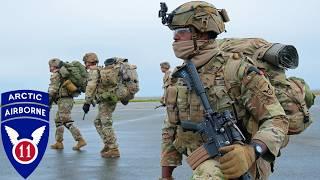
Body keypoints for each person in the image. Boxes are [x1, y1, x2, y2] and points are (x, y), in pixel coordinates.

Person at [159, 1, 289, 179]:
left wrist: (252, 151)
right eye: (174, 32)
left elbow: (277, 119)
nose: (175, 38)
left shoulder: (238, 71)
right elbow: (171, 128)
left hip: (244, 163)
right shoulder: (179, 76)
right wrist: (166, 175)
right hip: (205, 166)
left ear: (202, 31)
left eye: (181, 31)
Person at [82, 53, 120, 158]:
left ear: (87, 62)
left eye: (85, 62)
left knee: (105, 123)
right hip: (108, 99)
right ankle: (108, 144)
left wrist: (87, 102)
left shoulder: (94, 71)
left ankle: (113, 148)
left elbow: (91, 86)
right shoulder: (101, 69)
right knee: (97, 122)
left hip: (106, 101)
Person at [48, 58, 87, 151]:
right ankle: (59, 142)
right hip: (65, 100)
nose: (49, 68)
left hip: (64, 100)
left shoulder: (56, 75)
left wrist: (47, 100)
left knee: (66, 121)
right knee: (58, 120)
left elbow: (53, 90)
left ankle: (80, 140)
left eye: (50, 66)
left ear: (53, 66)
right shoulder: (63, 74)